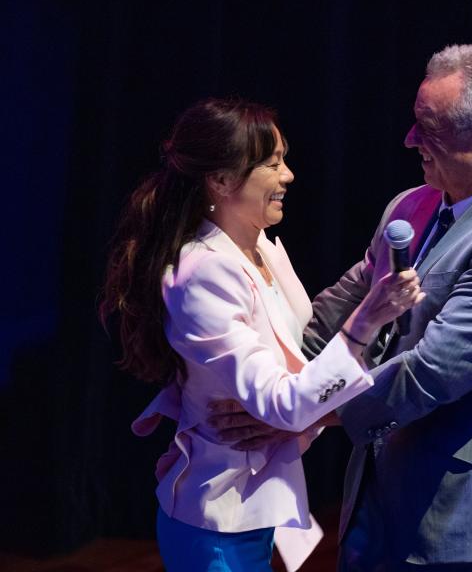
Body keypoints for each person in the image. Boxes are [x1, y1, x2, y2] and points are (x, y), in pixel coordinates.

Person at [213, 45, 472, 570]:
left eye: (427, 128)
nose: (409, 140)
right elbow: (339, 307)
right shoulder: (412, 205)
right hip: (375, 499)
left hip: (459, 517)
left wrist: (301, 412)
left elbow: (431, 372)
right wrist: (252, 378)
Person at [100, 98, 423, 572]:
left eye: (284, 159)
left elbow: (299, 362)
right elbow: (285, 403)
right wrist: (366, 320)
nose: (288, 175)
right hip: (216, 520)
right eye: (271, 164)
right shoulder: (203, 273)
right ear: (222, 180)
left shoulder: (264, 251)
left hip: (254, 509)